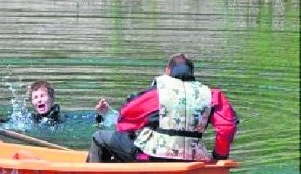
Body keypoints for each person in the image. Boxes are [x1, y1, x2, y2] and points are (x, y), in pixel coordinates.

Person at [88, 53, 238, 163]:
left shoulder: (157, 93)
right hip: (194, 159)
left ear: (167, 71)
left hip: (152, 157)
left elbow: (125, 120)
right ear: (192, 73)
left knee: (99, 137)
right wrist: (219, 157)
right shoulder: (212, 95)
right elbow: (226, 127)